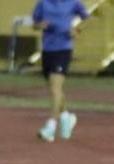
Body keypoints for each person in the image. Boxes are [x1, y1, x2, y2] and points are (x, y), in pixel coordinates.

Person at [32, 0, 90, 142]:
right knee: (54, 88)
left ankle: (50, 126)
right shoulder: (43, 3)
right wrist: (40, 25)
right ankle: (66, 116)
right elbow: (35, 23)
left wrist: (77, 29)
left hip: (63, 48)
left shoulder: (73, 3)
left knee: (55, 87)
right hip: (47, 49)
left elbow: (86, 18)